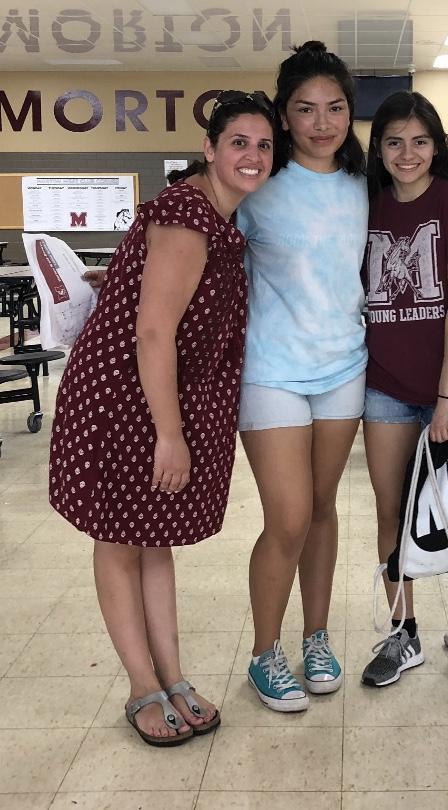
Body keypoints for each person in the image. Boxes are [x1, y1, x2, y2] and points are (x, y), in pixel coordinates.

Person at [48, 90, 278, 745]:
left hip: (153, 395)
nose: (253, 156)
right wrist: (170, 435)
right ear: (210, 148)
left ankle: (172, 676)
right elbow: (153, 333)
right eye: (238, 142)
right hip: (126, 402)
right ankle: (140, 686)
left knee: (153, 537)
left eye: (264, 145)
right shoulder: (187, 216)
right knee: (120, 540)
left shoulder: (214, 215)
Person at [236, 41, 368, 712]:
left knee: (321, 508)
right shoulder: (257, 185)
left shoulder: (365, 185)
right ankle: (265, 651)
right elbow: (199, 245)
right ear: (283, 115)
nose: (322, 122)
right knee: (287, 518)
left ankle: (316, 637)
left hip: (344, 366)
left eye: (335, 107)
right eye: (306, 108)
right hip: (271, 371)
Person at [359, 90, 448, 688]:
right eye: (394, 142)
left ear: (437, 146)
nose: (407, 153)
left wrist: (446, 397)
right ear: (378, 149)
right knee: (391, 510)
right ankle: (403, 632)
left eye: (419, 141)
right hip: (385, 386)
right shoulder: (369, 207)